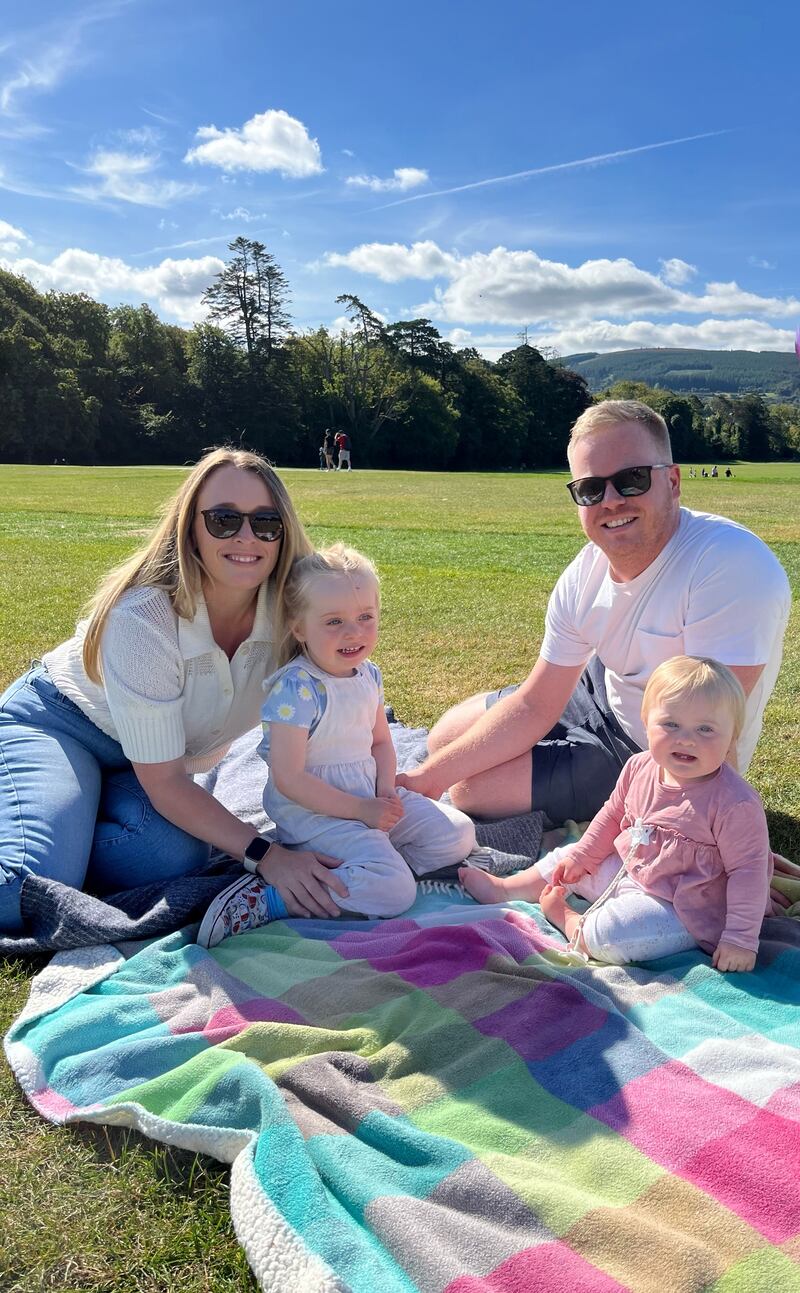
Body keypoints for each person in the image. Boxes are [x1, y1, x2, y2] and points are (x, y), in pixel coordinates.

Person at [0, 447, 350, 938]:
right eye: (224, 520)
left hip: (150, 763)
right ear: (191, 528)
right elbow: (166, 784)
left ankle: (62, 814)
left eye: (265, 522)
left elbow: (340, 713)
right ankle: (43, 814)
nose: (246, 537)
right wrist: (268, 857)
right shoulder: (145, 618)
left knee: (174, 855)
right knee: (25, 888)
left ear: (283, 532)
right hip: (63, 724)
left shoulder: (295, 614)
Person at [398, 400, 790, 834]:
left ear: (673, 481)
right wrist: (423, 781)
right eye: (590, 489)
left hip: (650, 746)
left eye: (631, 479)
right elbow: (535, 703)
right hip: (598, 687)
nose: (611, 501)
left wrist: (722, 837)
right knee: (442, 741)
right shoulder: (584, 574)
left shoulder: (728, 563)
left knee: (473, 791)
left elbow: (715, 727)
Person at [198, 544, 475, 946]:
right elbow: (289, 779)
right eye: (334, 622)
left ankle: (376, 868)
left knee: (458, 833)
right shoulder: (296, 687)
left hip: (367, 800)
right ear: (299, 628)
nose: (354, 632)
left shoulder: (369, 676)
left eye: (366, 617)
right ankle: (271, 898)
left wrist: (384, 795)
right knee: (398, 891)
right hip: (315, 815)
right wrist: (361, 811)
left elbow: (381, 742)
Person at [461, 657, 772, 971]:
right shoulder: (639, 767)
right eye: (671, 724)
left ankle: (569, 921)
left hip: (686, 908)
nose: (686, 739)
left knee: (613, 935)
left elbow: (749, 873)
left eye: (705, 729)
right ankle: (507, 889)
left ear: (733, 736)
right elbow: (612, 815)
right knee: (568, 857)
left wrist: (740, 939)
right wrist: (583, 857)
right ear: (646, 721)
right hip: (633, 869)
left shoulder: (734, 804)